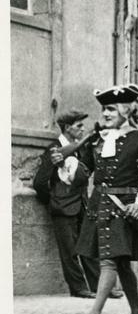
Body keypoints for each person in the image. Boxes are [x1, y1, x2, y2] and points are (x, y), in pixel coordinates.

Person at [75, 84, 138, 314]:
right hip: (98, 207)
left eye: (111, 109)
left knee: (109, 262)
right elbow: (85, 172)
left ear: (125, 110)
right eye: (104, 109)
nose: (106, 113)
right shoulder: (98, 140)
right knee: (121, 264)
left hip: (125, 209)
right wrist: (66, 164)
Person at [32, 110, 120, 299]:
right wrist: (55, 201)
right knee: (69, 252)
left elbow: (88, 171)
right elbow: (40, 182)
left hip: (82, 205)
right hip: (63, 208)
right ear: (67, 128)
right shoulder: (54, 149)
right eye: (78, 126)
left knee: (88, 247)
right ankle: (78, 288)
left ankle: (99, 287)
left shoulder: (81, 148)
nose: (82, 129)